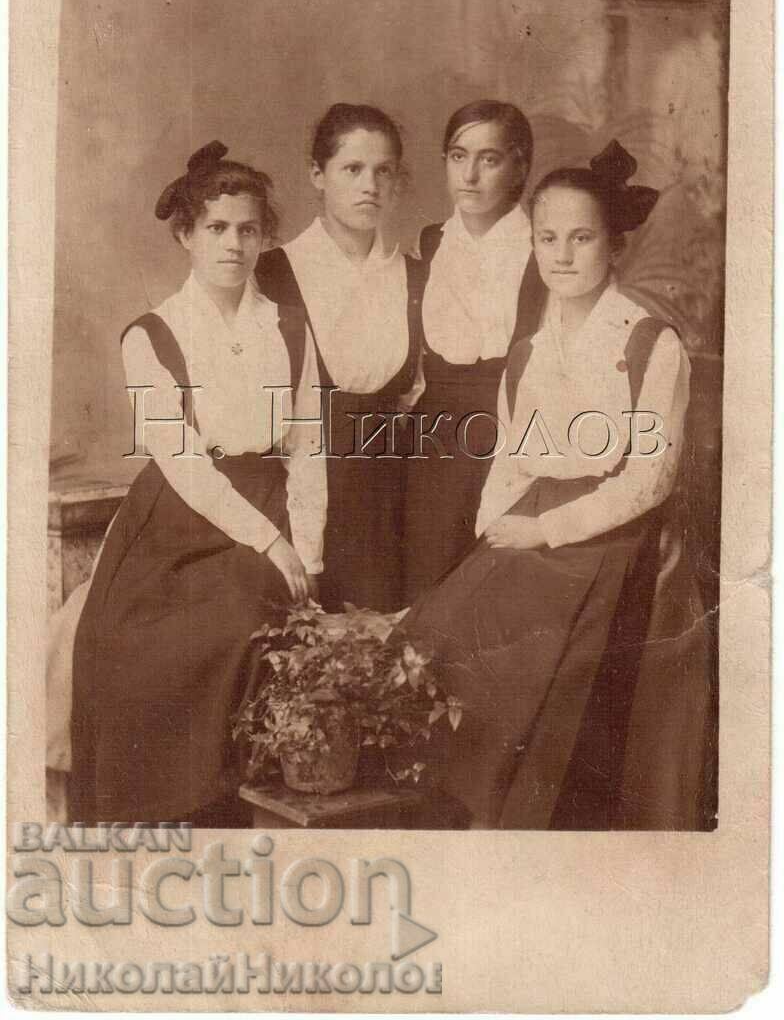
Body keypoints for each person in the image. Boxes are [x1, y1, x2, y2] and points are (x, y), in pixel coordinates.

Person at [403, 140, 691, 829]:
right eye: (548, 238)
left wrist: (542, 531)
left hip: (614, 535)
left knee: (536, 663)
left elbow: (648, 480)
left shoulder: (651, 344)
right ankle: (462, 813)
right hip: (531, 517)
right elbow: (512, 453)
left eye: (582, 238)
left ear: (615, 246)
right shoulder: (530, 348)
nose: (562, 256)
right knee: (440, 632)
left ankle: (522, 821)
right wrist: (491, 535)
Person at [69, 142, 327, 826]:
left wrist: (309, 549)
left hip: (272, 501)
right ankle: (164, 814)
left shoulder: (289, 328)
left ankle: (231, 814)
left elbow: (308, 449)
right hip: (179, 518)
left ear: (265, 235)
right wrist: (271, 540)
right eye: (216, 228)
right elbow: (183, 464)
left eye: (248, 229)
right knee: (141, 640)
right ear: (185, 235)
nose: (234, 244)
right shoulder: (152, 335)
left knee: (258, 611)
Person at [256, 104, 422, 613]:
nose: (369, 185)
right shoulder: (269, 274)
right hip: (291, 503)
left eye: (383, 170)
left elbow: (416, 396)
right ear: (317, 175)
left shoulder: (417, 278)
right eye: (352, 169)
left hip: (387, 511)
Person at [402, 99, 547, 602]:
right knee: (425, 584)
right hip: (431, 440)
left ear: (519, 166)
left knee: (488, 593)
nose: (469, 174)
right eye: (457, 156)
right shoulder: (432, 242)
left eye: (489, 159)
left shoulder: (541, 250)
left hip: (508, 433)